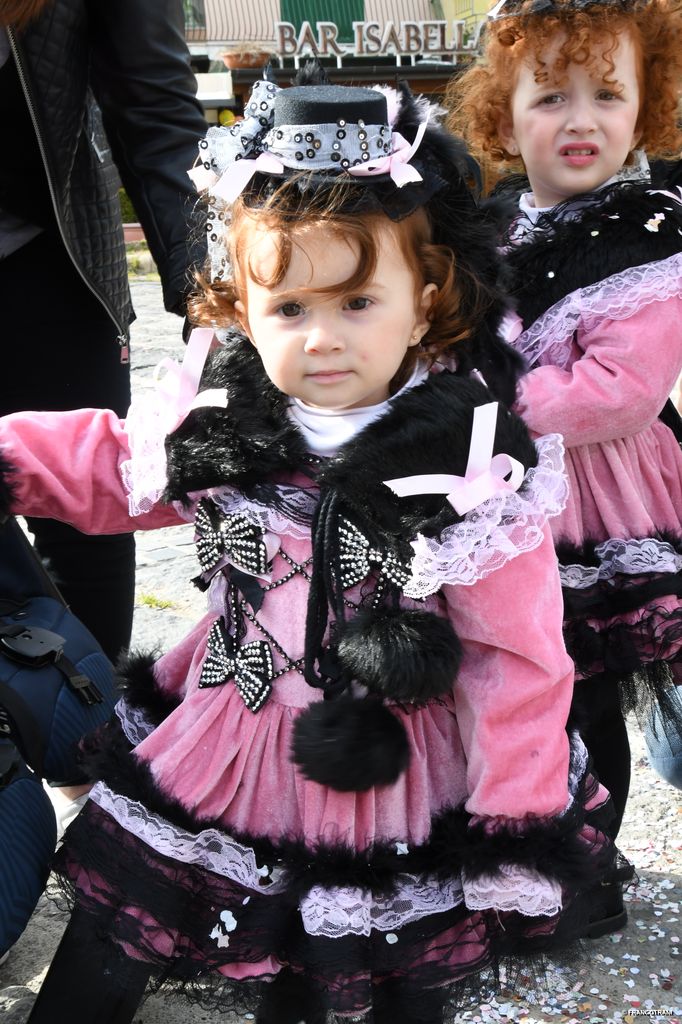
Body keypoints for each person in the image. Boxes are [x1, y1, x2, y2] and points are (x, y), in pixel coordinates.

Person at [0, 71, 616, 1024]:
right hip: (228, 736)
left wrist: (513, 815)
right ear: (240, 310)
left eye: (358, 301)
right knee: (119, 928)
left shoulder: (470, 468)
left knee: (349, 966)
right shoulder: (224, 427)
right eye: (289, 308)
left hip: (388, 773)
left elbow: (517, 657)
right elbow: (110, 466)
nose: (322, 338)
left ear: (427, 301)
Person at [448, 0, 682, 845]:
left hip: (595, 500)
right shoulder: (496, 226)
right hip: (503, 486)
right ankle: (518, 827)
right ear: (505, 118)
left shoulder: (647, 238)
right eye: (550, 97)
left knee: (583, 689)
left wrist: (484, 407)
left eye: (607, 96)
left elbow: (620, 389)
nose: (581, 120)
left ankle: (592, 856)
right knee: (513, 679)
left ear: (644, 110)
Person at [0, 0, 207, 670]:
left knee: (90, 509)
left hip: (51, 262)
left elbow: (156, 111)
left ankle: (91, 724)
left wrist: (214, 296)